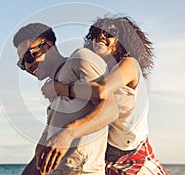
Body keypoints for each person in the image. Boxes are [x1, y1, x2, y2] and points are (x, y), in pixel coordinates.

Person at [40, 16, 168, 174]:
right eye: (96, 34)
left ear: (123, 42)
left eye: (110, 34)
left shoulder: (130, 64)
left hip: (133, 156)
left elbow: (101, 90)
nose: (101, 37)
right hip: (107, 161)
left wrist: (59, 88)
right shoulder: (95, 71)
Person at [13, 23, 119, 175]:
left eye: (29, 56)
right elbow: (44, 155)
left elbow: (111, 108)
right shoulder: (54, 91)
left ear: (48, 46)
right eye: (22, 64)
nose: (28, 66)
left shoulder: (79, 58)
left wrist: (68, 133)